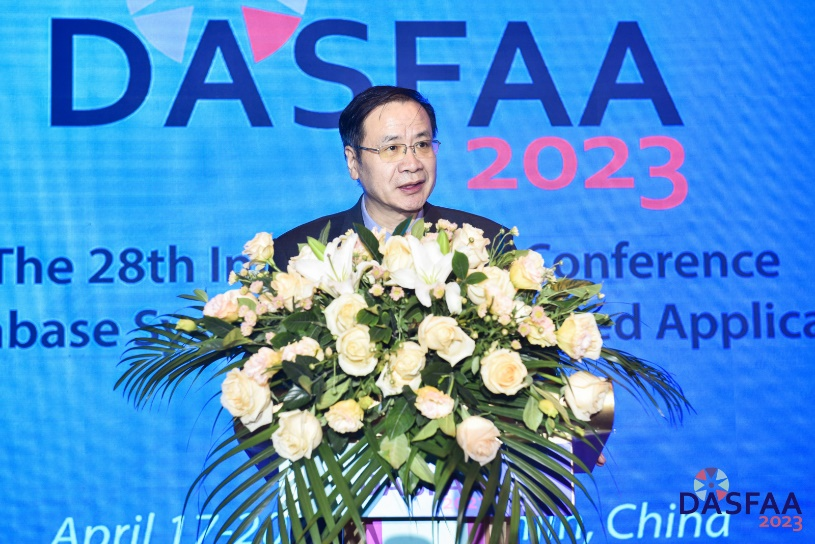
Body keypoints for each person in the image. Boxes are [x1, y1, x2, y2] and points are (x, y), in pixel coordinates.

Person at [271, 85, 508, 270]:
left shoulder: (487, 244)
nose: (412, 164)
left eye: (422, 144)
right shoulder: (295, 256)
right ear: (353, 162)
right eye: (392, 148)